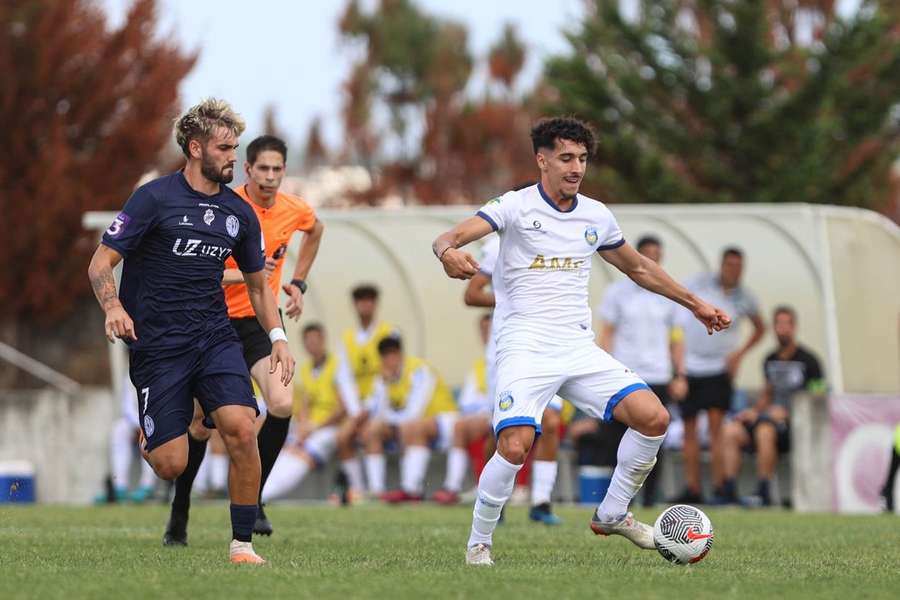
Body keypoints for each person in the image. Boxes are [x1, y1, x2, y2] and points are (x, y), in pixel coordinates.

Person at [431, 117, 730, 566]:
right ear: (542, 159)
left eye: (583, 159)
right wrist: (449, 254)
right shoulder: (513, 206)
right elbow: (447, 237)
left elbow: (640, 268)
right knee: (514, 445)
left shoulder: (595, 214)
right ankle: (479, 544)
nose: (576, 168)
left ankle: (612, 513)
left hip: (577, 347)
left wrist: (695, 304)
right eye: (566, 158)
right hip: (524, 346)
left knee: (653, 418)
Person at [87, 98, 295, 565]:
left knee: (242, 428)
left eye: (236, 147)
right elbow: (101, 262)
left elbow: (260, 287)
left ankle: (241, 545)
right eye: (225, 148)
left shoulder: (239, 215)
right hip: (159, 346)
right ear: (196, 148)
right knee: (171, 464)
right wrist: (114, 305)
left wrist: (278, 338)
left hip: (214, 337)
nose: (232, 157)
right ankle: (155, 434)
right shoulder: (153, 199)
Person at [160, 134, 323, 544]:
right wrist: (249, 272)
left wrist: (298, 281)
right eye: (262, 169)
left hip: (258, 320)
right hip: (212, 321)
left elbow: (315, 229)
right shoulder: (224, 208)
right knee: (199, 426)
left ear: (285, 171)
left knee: (282, 402)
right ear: (247, 170)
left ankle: (255, 496)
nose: (270, 177)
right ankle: (180, 510)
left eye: (277, 169)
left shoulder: (293, 209)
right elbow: (197, 269)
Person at [459, 233, 566, 524]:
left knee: (552, 422)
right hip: (508, 347)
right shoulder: (498, 246)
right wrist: (515, 298)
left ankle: (541, 502)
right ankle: (492, 496)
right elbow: (472, 294)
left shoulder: (560, 240)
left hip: (548, 344)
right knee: (503, 431)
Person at [597, 235, 686, 506]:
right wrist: (603, 368)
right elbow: (607, 334)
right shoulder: (617, 292)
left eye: (656, 254)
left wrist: (679, 374)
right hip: (625, 374)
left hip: (658, 375)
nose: (652, 258)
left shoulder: (667, 294)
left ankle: (650, 497)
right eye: (647, 253)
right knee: (617, 439)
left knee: (654, 436)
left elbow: (676, 339)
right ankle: (619, 500)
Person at [672, 247, 765, 504]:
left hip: (718, 369)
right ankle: (692, 488)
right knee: (689, 430)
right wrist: (678, 367)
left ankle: (719, 486)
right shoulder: (699, 284)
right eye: (730, 265)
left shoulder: (745, 297)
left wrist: (739, 354)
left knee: (716, 429)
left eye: (738, 267)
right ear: (721, 265)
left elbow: (760, 328)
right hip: (691, 367)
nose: (734, 271)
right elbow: (679, 308)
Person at [719, 306, 824, 506]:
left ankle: (763, 491)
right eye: (778, 324)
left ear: (794, 327)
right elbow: (767, 394)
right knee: (730, 430)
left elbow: (817, 400)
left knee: (765, 431)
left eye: (786, 324)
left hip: (794, 427)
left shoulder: (810, 361)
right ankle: (729, 490)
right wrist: (753, 411)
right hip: (768, 418)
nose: (782, 329)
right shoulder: (770, 359)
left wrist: (789, 413)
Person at [260, 323, 361, 500]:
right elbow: (305, 403)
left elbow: (343, 407)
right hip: (311, 427)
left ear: (323, 340)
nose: (312, 345)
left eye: (315, 340)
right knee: (289, 445)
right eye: (308, 341)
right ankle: (260, 490)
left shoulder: (338, 365)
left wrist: (316, 427)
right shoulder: (305, 369)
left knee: (306, 452)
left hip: (331, 427)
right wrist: (304, 426)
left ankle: (267, 493)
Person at [361, 336, 457, 501]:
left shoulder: (419, 371)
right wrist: (384, 386)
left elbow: (415, 412)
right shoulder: (382, 378)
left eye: (392, 355)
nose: (389, 360)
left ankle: (412, 489)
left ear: (400, 354)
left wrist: (390, 420)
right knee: (371, 430)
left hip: (444, 421)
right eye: (384, 356)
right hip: (410, 427)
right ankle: (377, 491)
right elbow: (376, 415)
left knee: (410, 426)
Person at [432, 314, 494, 504]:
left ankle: (460, 486)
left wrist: (484, 409)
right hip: (485, 415)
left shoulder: (508, 357)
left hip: (504, 412)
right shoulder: (479, 365)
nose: (486, 335)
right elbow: (466, 402)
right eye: (483, 331)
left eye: (490, 330)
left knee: (463, 427)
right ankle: (455, 487)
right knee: (460, 426)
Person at [98, 376, 158, 503]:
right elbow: (127, 406)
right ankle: (119, 487)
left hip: (156, 420)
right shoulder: (131, 373)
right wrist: (138, 425)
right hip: (136, 423)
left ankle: (147, 487)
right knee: (119, 430)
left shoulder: (161, 369)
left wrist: (144, 426)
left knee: (152, 431)